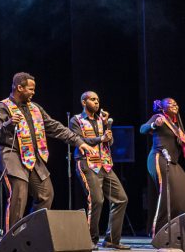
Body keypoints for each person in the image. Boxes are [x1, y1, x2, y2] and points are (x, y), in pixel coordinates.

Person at [0, 72, 93, 231]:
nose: (33, 92)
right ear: (19, 88)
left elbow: (55, 127)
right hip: (12, 157)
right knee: (19, 196)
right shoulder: (2, 108)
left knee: (46, 194)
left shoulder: (35, 108)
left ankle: (30, 232)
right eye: (30, 89)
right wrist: (8, 124)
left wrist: (79, 142)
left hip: (32, 158)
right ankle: (12, 239)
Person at [69, 91, 130, 250]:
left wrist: (107, 129)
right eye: (93, 99)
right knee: (96, 200)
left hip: (104, 164)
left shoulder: (101, 120)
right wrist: (100, 138)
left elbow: (109, 142)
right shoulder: (76, 120)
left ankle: (112, 239)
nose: (97, 102)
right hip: (87, 163)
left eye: (97, 100)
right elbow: (78, 140)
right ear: (84, 102)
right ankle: (89, 240)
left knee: (121, 199)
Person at [139, 97, 185, 237]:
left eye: (176, 103)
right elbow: (142, 129)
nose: (175, 104)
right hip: (158, 158)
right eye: (170, 103)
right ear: (162, 107)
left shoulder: (176, 127)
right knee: (167, 194)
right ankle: (159, 232)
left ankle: (181, 231)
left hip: (172, 162)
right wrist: (154, 125)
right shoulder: (159, 117)